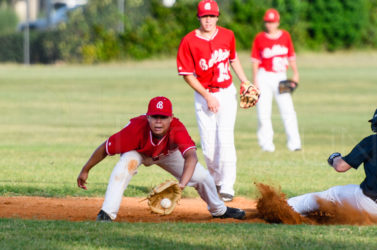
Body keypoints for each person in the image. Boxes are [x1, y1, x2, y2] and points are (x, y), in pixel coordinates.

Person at [76, 96, 246, 221]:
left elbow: (191, 157)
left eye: (163, 117)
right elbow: (105, 148)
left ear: (171, 118)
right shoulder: (135, 130)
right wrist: (85, 170)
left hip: (167, 153)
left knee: (202, 177)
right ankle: (107, 213)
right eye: (154, 117)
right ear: (147, 117)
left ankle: (219, 210)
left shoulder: (177, 129)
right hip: (139, 151)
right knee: (123, 167)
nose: (158, 122)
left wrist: (181, 186)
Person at [287, 104, 377, 223]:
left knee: (332, 194)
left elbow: (341, 167)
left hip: (367, 203)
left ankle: (287, 208)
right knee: (361, 201)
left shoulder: (373, 140)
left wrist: (334, 158)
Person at [176, 0, 251, 202]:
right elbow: (187, 75)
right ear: (199, 18)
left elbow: (233, 58)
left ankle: (227, 185)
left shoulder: (228, 35)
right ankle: (216, 181)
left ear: (217, 17)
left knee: (225, 140)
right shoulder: (189, 41)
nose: (208, 20)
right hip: (203, 95)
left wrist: (244, 80)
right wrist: (207, 96)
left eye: (211, 16)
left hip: (226, 93)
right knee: (209, 147)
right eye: (204, 16)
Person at [251, 8, 301, 152]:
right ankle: (266, 145)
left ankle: (294, 144)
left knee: (288, 109)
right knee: (263, 111)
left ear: (278, 22)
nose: (270, 25)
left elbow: (291, 56)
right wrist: (255, 80)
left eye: (272, 22)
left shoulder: (285, 36)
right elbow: (255, 60)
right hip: (264, 76)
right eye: (267, 22)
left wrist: (296, 73)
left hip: (281, 77)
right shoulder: (260, 38)